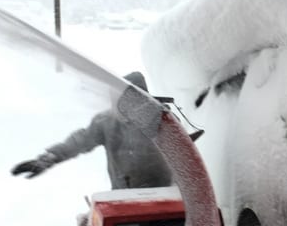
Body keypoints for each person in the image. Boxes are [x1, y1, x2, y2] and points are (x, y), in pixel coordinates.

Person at [11, 71, 173, 189]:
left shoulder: (162, 120)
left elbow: (184, 152)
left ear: (144, 99)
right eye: (120, 101)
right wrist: (48, 158)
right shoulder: (106, 123)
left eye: (134, 101)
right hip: (124, 197)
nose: (127, 108)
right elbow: (78, 141)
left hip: (164, 194)